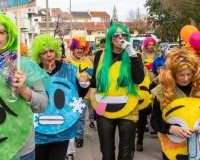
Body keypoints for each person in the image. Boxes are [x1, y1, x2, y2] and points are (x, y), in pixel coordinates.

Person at [90, 23, 144, 160]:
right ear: (110, 38)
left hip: (128, 108)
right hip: (103, 107)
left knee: (125, 153)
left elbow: (139, 79)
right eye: (116, 35)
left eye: (124, 34)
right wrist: (93, 101)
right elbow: (95, 81)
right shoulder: (100, 55)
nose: (120, 37)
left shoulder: (135, 55)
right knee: (107, 152)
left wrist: (132, 54)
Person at [31, 34, 88, 160]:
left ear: (56, 51)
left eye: (51, 51)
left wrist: (84, 84)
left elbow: (77, 96)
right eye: (44, 52)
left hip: (62, 127)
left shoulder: (68, 69)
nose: (49, 55)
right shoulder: (32, 72)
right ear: (38, 55)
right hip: (39, 130)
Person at [0, 14, 49, 160]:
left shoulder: (25, 65)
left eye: (0, 32)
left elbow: (42, 104)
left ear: (10, 36)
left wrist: (24, 90)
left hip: (21, 149)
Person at [150, 48, 200, 160]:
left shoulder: (198, 86)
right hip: (174, 148)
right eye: (181, 75)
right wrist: (169, 128)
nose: (186, 78)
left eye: (189, 74)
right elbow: (155, 120)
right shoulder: (161, 91)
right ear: (173, 73)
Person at [65, 37, 95, 148]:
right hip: (70, 94)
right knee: (70, 116)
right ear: (73, 49)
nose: (79, 50)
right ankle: (68, 137)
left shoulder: (88, 61)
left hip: (84, 94)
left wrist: (87, 79)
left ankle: (79, 137)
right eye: (77, 48)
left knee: (81, 117)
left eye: (82, 48)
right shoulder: (67, 60)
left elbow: (92, 77)